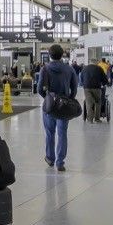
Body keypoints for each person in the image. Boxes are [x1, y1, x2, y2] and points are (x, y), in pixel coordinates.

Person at [35, 44, 78, 172]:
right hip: (64, 105)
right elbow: (74, 88)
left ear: (49, 55)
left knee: (49, 133)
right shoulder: (69, 69)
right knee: (62, 133)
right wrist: (68, 99)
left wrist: (47, 98)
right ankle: (60, 162)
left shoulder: (45, 69)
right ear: (63, 54)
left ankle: (50, 158)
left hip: (50, 105)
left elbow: (39, 89)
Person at [79, 57, 109, 123]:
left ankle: (90, 119)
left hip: (87, 88)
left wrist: (82, 84)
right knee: (98, 102)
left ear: (89, 62)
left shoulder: (84, 68)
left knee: (89, 103)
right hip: (97, 88)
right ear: (95, 62)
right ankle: (97, 119)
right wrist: (104, 84)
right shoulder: (99, 68)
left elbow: (81, 78)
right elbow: (104, 79)